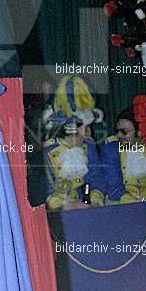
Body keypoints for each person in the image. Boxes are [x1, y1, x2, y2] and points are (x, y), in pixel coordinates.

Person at [42, 77, 106, 211]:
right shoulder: (48, 150)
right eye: (84, 125)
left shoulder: (88, 145)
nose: (89, 130)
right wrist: (63, 205)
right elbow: (44, 187)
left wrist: (92, 201)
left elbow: (96, 176)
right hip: (59, 213)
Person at [101, 107, 146, 204]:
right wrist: (132, 201)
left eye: (124, 132)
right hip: (120, 202)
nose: (119, 135)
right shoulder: (112, 146)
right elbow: (112, 184)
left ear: (140, 131)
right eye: (117, 130)